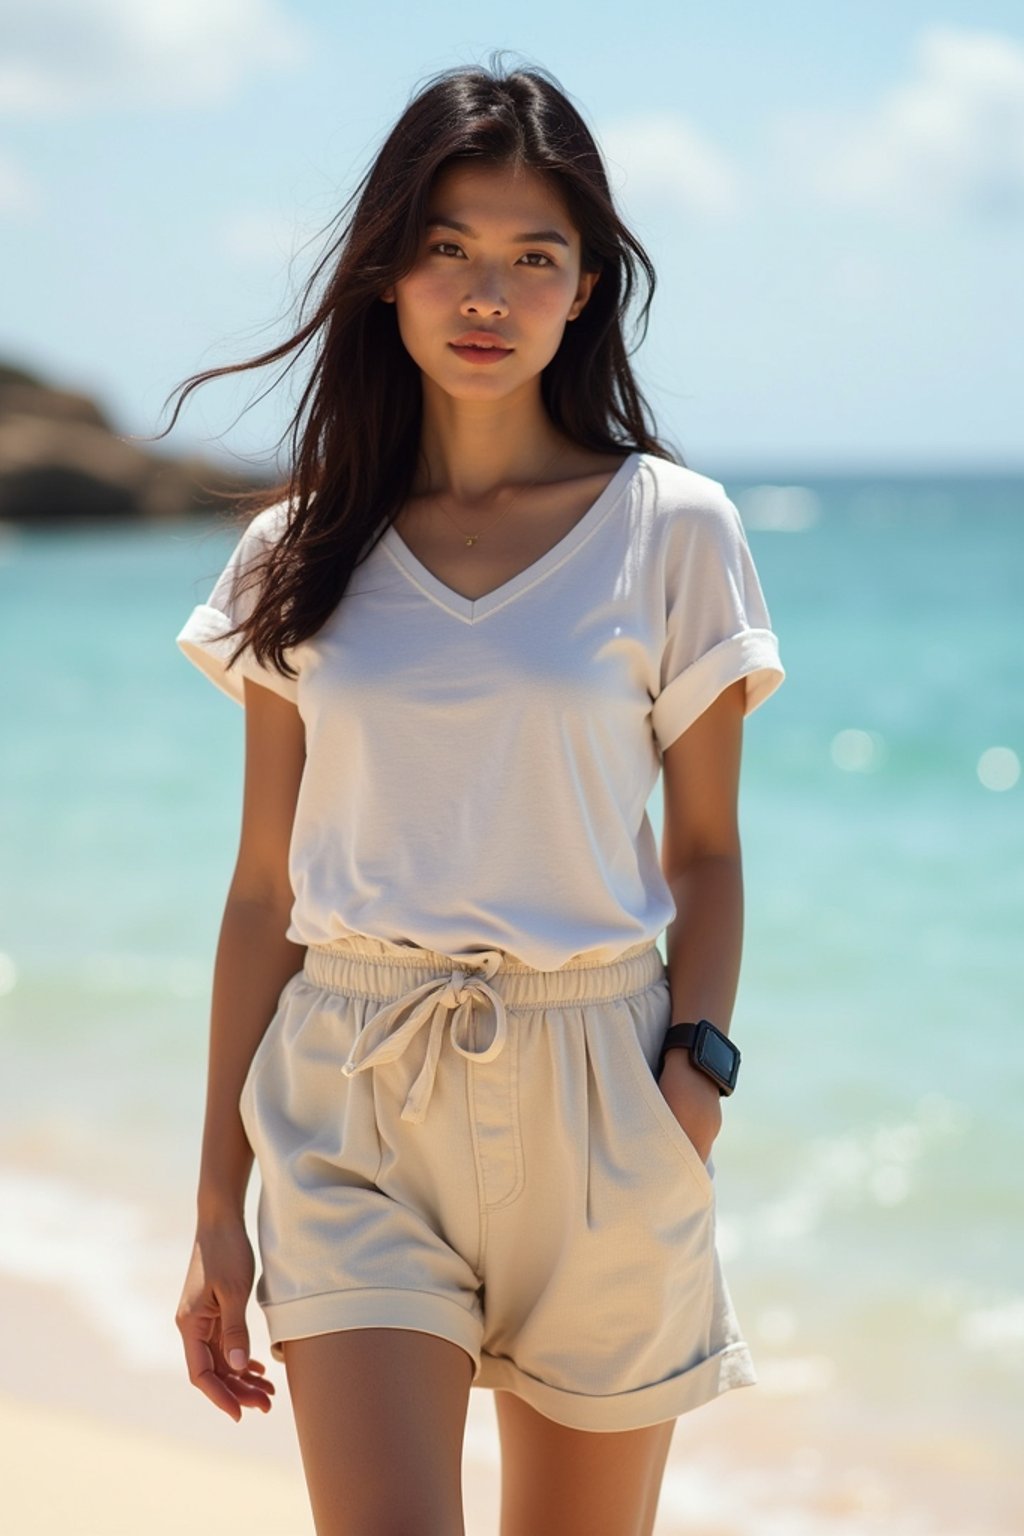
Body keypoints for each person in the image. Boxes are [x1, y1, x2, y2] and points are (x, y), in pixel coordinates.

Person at [167, 53, 785, 1536]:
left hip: (605, 1097)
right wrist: (211, 1214)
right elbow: (265, 890)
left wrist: (689, 1080)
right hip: (353, 1099)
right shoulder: (297, 550)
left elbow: (706, 853)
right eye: (447, 250)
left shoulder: (673, 530)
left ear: (587, 290)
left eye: (533, 257)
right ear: (387, 273)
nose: (486, 294)